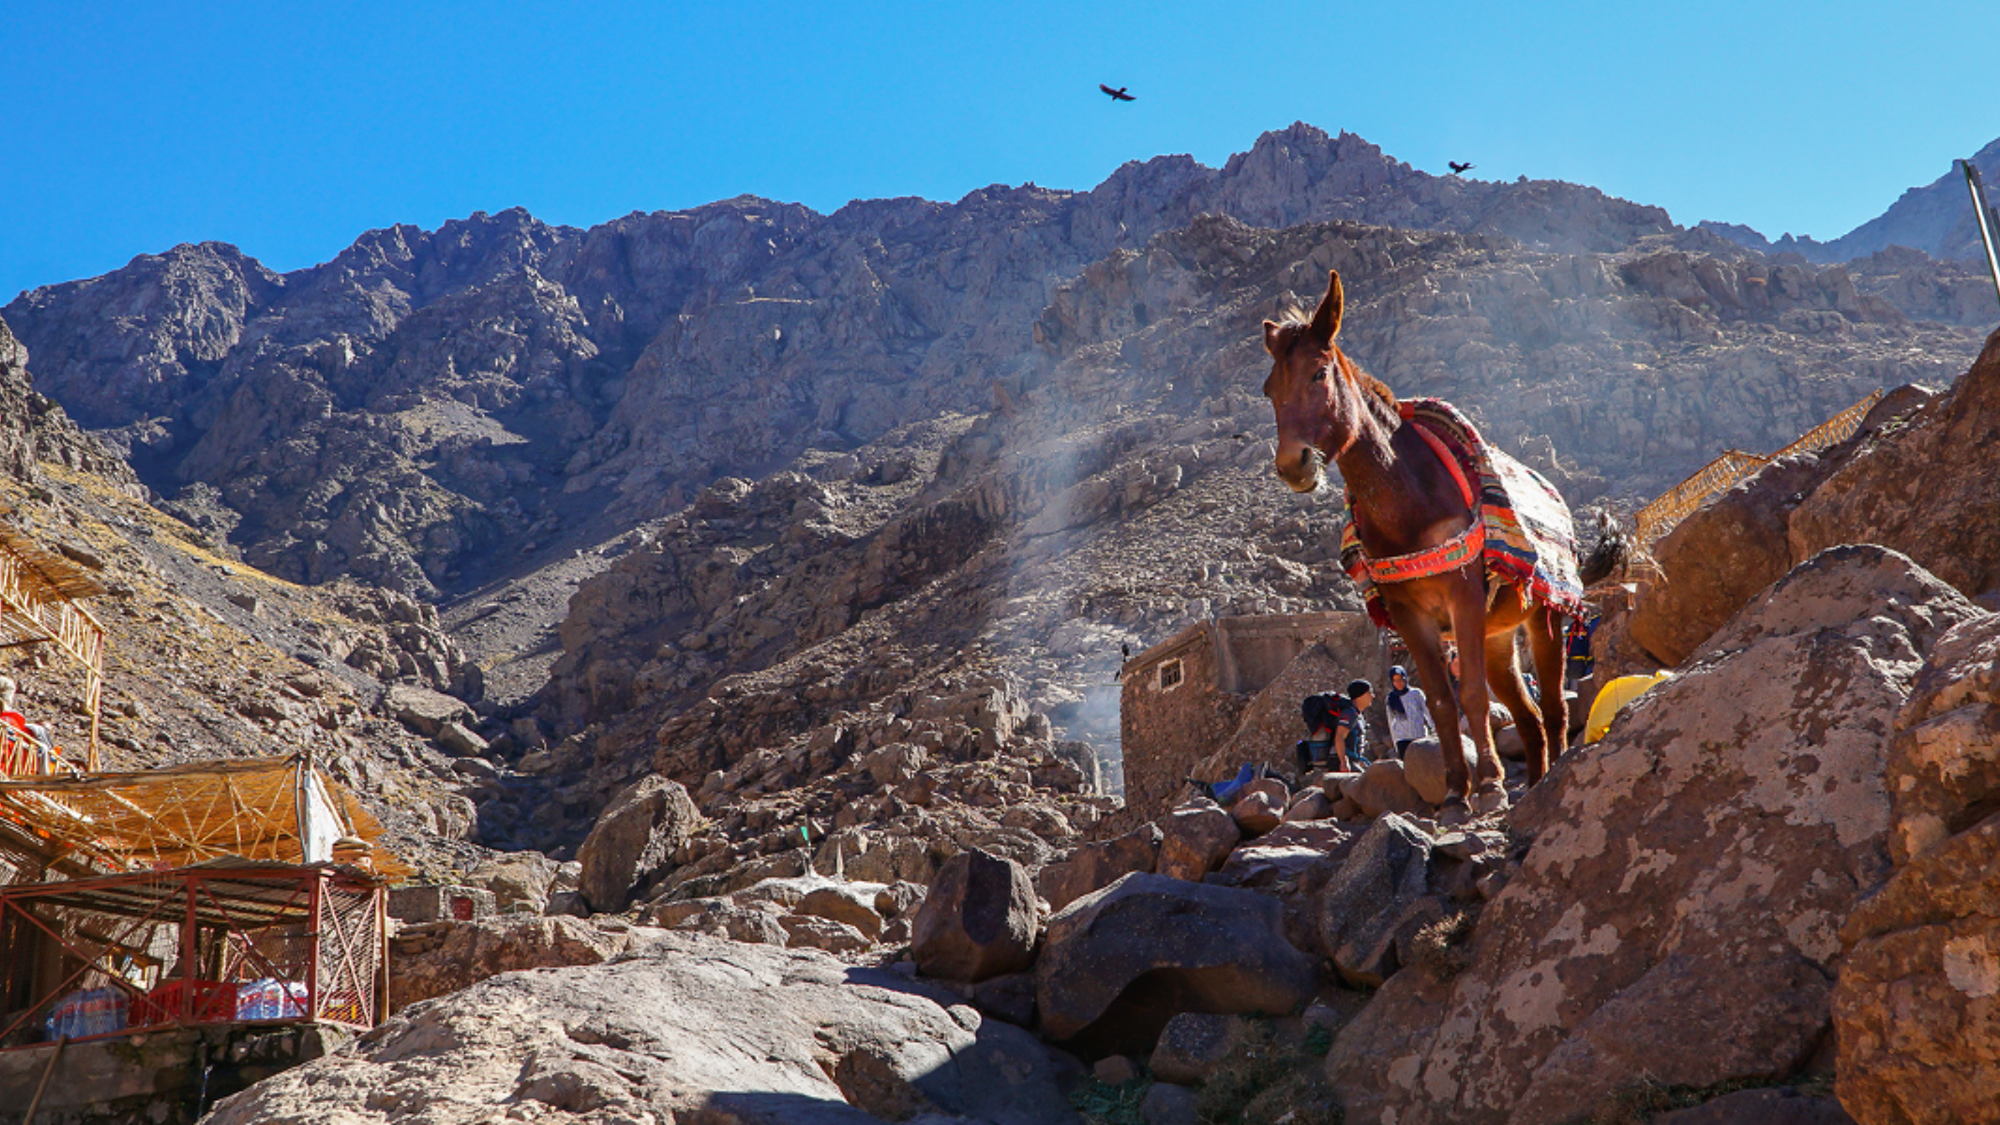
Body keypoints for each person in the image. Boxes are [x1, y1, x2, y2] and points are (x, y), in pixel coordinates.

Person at [1383, 665, 1434, 756]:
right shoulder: (1391, 698)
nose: (1398, 683)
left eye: (1400, 679)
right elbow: (1391, 721)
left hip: (1418, 736)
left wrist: (1434, 728)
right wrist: (1395, 743)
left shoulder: (1416, 694)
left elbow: (1427, 711)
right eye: (1395, 681)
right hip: (1402, 739)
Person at [1332, 680, 1374, 772]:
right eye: (1369, 693)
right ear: (1360, 695)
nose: (1372, 696)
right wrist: (1343, 762)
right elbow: (1339, 736)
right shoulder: (1349, 713)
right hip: (1346, 763)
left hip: (1354, 761)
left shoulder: (1358, 714)